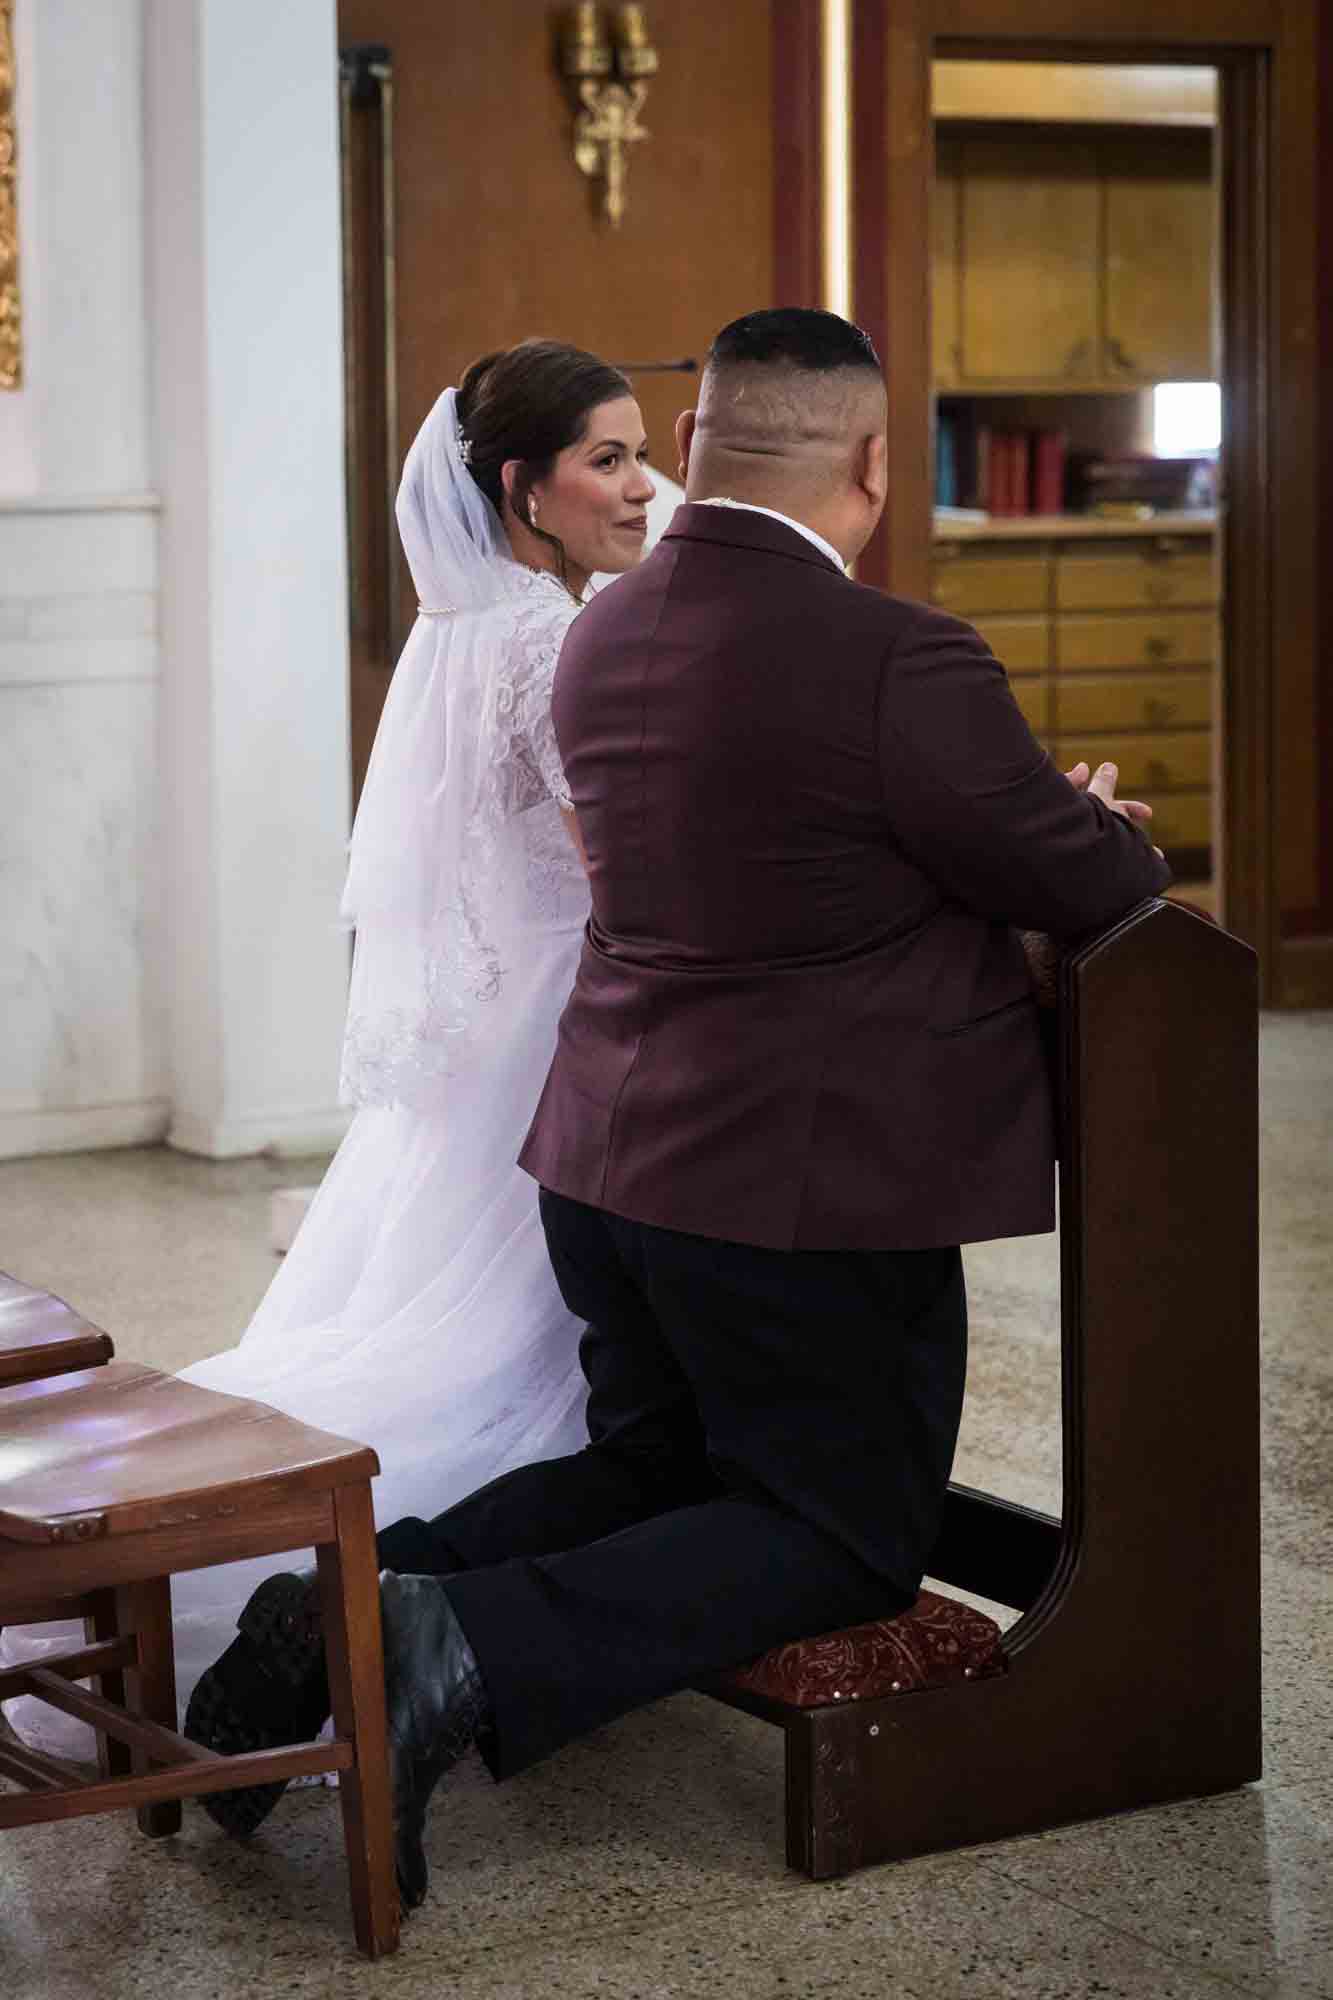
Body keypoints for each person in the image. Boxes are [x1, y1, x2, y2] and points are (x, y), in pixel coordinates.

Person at [189, 309, 1171, 1908]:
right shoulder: (898, 652)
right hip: (793, 1183)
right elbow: (1095, 880)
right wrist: (1068, 820)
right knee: (845, 1528)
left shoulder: (601, 633)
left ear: (700, 448)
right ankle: (453, 1634)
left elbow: (771, 837)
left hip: (605, 1156)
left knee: (658, 1467)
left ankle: (357, 1592)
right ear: (868, 464)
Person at [0, 341, 658, 1764]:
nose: (642, 482)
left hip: (491, 1026)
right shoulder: (554, 639)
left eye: (639, 450)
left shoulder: (463, 629)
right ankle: (416, 1597)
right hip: (560, 1024)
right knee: (523, 1339)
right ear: (520, 488)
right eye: (607, 456)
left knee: (454, 1312)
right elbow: (625, 865)